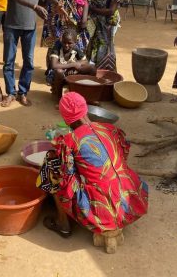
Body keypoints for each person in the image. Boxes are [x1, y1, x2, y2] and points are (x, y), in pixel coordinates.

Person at [36, 92, 148, 253]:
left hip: (103, 210)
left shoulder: (69, 141)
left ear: (65, 118)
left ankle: (63, 224)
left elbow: (66, 175)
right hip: (132, 199)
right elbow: (122, 155)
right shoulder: (112, 130)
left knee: (52, 165)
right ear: (86, 110)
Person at [1, 0, 63, 107]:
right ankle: (10, 93)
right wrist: (35, 6)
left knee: (28, 62)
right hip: (12, 25)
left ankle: (23, 92)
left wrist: (59, 5)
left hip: (30, 26)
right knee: (9, 61)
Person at [86, 0, 127, 71]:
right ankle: (95, 70)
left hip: (108, 22)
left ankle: (106, 72)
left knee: (105, 46)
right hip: (98, 20)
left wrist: (93, 9)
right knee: (95, 44)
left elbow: (111, 11)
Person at [47, 28, 96, 100]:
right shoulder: (57, 48)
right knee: (59, 71)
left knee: (92, 68)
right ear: (61, 40)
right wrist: (73, 65)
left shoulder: (75, 48)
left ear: (75, 42)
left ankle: (88, 96)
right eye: (64, 42)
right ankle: (59, 99)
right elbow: (54, 65)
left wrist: (74, 66)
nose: (66, 45)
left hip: (71, 73)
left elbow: (85, 61)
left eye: (69, 43)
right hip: (57, 76)